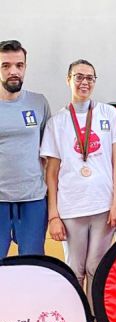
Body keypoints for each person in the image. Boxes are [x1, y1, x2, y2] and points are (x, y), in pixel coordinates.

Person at [40, 59, 116, 322]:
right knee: (75, 268)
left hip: (103, 206)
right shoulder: (57, 122)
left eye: (90, 77)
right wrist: (53, 215)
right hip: (72, 206)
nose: (84, 82)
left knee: (96, 267)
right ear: (68, 80)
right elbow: (51, 173)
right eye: (78, 77)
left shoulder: (109, 115)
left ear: (95, 81)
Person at [0, 40, 51, 258]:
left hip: (33, 200)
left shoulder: (38, 102)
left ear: (25, 67)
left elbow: (49, 154)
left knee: (33, 263)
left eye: (19, 65)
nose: (14, 71)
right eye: (6, 65)